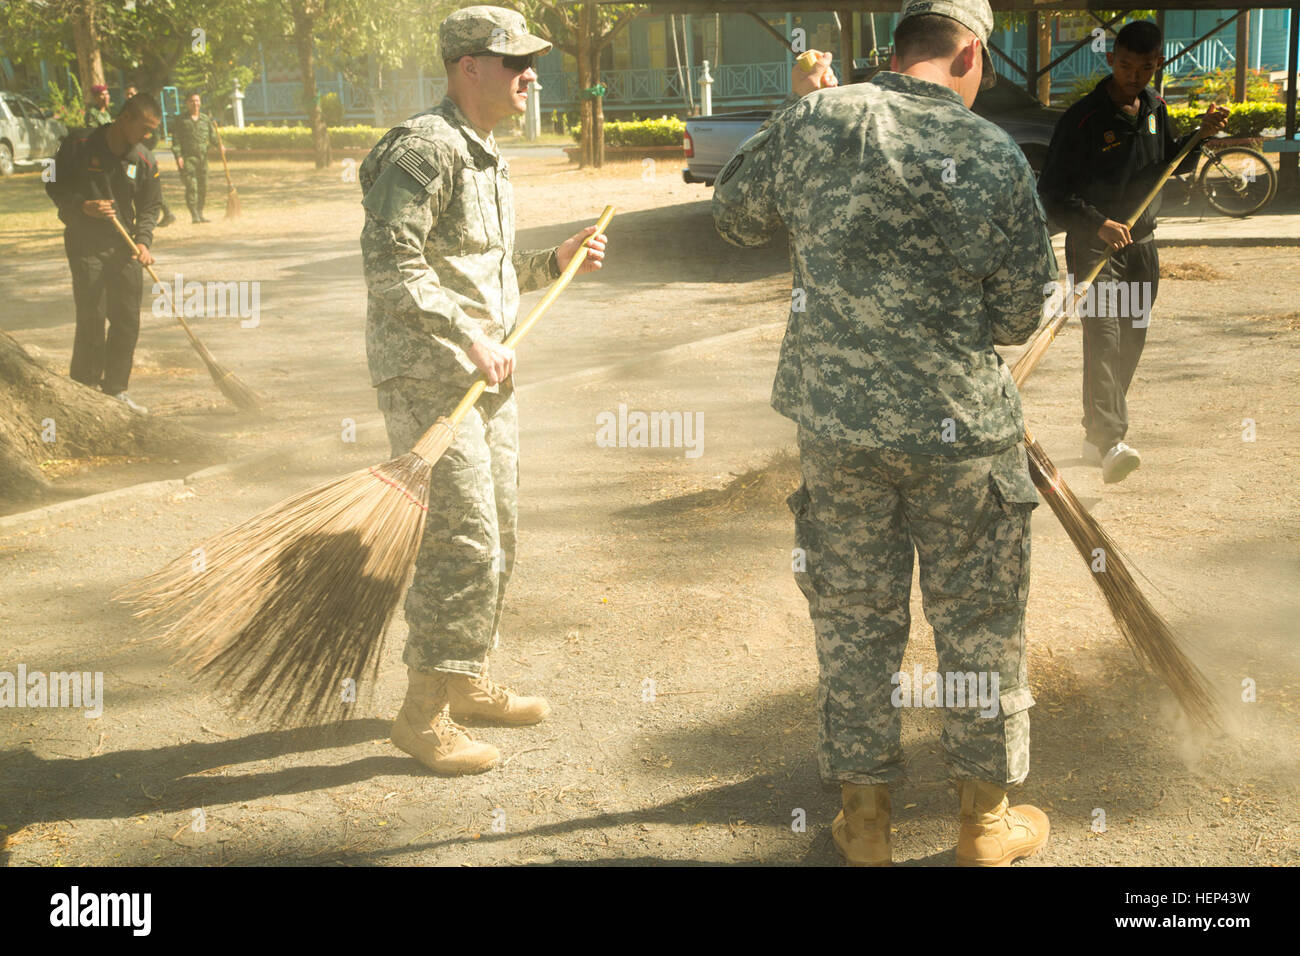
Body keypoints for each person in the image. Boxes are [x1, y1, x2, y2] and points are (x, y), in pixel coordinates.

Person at [713, 0, 1058, 866]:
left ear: (897, 49)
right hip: (962, 438)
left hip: (839, 430)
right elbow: (1021, 312)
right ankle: (984, 824)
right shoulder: (992, 152)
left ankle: (864, 823)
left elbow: (734, 213)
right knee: (978, 628)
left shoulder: (819, 118)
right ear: (970, 52)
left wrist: (803, 114)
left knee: (856, 622)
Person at [359, 5, 608, 776]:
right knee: (462, 540)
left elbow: (478, 272)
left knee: (499, 532)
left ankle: (464, 679)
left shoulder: (487, 154)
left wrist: (550, 260)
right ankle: (422, 716)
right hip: (431, 377)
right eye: (514, 61)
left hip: (486, 375)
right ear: (469, 67)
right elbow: (392, 264)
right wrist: (467, 337)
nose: (531, 73)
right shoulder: (422, 151)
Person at [1037, 21, 1228, 483]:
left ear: (1156, 64)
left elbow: (1167, 166)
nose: (1133, 75)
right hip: (1096, 249)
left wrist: (1199, 136)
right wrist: (1097, 223)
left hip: (1142, 247)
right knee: (1103, 338)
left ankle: (1094, 434)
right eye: (1124, 65)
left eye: (1144, 67)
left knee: (1130, 340)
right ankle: (1111, 441)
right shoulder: (1083, 119)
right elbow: (1052, 192)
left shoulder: (1157, 109)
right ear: (1111, 59)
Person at [47, 93, 163, 415]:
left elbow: (152, 205)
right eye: (145, 128)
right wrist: (79, 206)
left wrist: (143, 242)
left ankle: (115, 390)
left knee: (127, 320)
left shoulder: (144, 159)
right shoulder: (76, 144)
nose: (148, 136)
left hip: (125, 249)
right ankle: (84, 388)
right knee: (92, 316)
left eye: (152, 130)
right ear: (125, 118)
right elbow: (49, 180)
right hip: (85, 244)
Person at [125, 85, 175, 228]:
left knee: (144, 185)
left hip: (142, 157)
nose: (129, 97)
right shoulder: (125, 114)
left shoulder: (147, 114)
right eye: (127, 94)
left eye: (132, 94)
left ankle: (164, 212)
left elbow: (155, 135)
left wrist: (146, 152)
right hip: (129, 158)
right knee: (131, 183)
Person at [172, 93, 220, 223]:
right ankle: (194, 215)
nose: (195, 103)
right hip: (188, 159)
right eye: (191, 101)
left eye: (197, 101)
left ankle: (200, 212)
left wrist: (219, 146)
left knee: (203, 186)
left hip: (203, 159)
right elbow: (175, 141)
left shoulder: (205, 119)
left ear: (200, 102)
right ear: (187, 103)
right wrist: (178, 156)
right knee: (192, 187)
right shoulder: (180, 120)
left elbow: (213, 137)